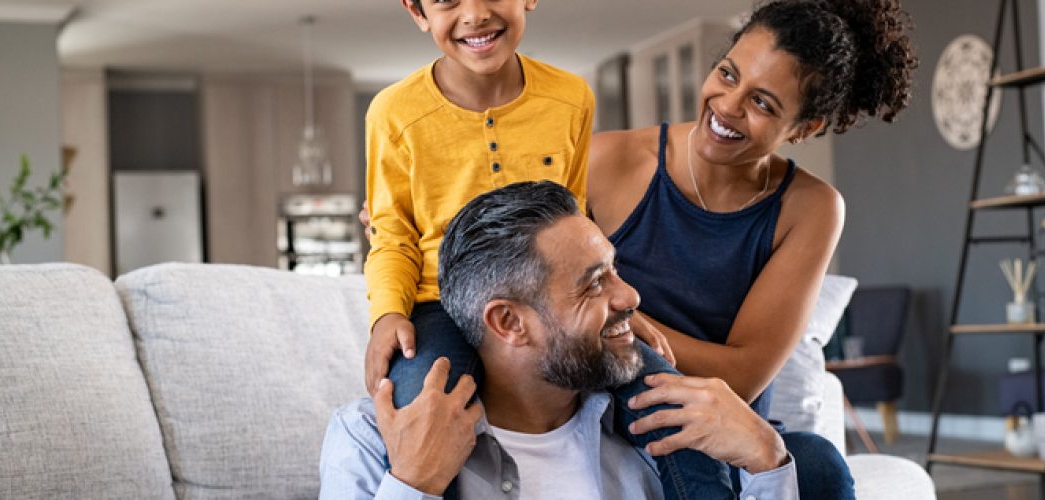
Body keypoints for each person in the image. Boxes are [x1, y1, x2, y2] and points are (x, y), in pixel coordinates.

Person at [360, 1, 728, 498]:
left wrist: (609, 311)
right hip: (437, 304)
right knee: (417, 416)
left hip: (550, 304)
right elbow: (392, 234)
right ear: (416, 10)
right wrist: (386, 313)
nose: (474, 14)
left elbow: (572, 222)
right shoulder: (393, 112)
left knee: (677, 406)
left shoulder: (569, 97)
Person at [587, 0, 918, 498]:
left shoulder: (811, 208)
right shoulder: (603, 160)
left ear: (804, 129)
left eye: (763, 103)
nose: (727, 105)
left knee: (817, 462)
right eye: (727, 73)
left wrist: (627, 322)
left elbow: (741, 377)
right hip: (613, 409)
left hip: (725, 429)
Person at [322, 181, 797, 500]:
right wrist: (414, 484)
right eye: (594, 283)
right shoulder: (370, 440)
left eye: (616, 270)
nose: (630, 295)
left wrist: (766, 457)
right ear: (508, 322)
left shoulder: (671, 433)